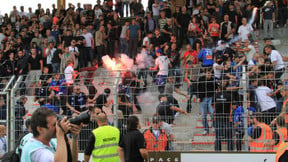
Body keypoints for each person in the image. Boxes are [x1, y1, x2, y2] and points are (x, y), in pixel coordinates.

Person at [214, 86, 233, 152]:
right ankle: (230, 151)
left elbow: (213, 105)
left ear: (219, 89)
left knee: (218, 137)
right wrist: (230, 116)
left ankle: (218, 151)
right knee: (229, 137)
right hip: (227, 118)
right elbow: (231, 106)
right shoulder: (229, 95)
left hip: (218, 118)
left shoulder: (216, 95)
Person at [197, 68, 216, 135]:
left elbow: (216, 88)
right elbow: (198, 88)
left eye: (210, 73)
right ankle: (206, 129)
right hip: (203, 98)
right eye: (208, 73)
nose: (209, 74)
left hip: (211, 98)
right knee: (203, 115)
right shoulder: (201, 79)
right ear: (205, 73)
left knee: (212, 113)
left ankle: (213, 126)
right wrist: (198, 97)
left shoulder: (213, 80)